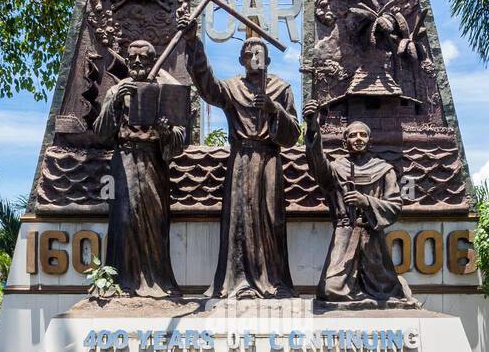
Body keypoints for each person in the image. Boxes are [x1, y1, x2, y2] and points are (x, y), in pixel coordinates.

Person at [179, 17, 300, 299]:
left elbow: (293, 133)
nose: (254, 57)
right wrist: (193, 43)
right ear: (241, 59)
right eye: (249, 53)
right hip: (242, 160)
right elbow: (207, 87)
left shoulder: (281, 89)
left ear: (268, 59)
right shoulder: (233, 87)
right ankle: (240, 281)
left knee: (271, 219)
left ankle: (273, 281)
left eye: (259, 53)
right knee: (241, 219)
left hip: (270, 159)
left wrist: (274, 110)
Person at [93, 39, 187, 297]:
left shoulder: (164, 90)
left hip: (153, 163)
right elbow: (101, 132)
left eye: (142, 58)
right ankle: (122, 282)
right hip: (122, 161)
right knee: (122, 220)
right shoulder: (116, 90)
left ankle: (157, 282)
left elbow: (180, 137)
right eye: (132, 58)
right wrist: (114, 103)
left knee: (156, 222)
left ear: (151, 60)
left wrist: (166, 130)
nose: (136, 63)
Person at [304, 102, 421, 307]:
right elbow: (317, 165)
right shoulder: (337, 169)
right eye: (352, 135)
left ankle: (393, 284)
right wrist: (313, 127)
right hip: (345, 234)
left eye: (362, 135)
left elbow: (395, 206)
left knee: (385, 290)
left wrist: (366, 201)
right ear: (345, 142)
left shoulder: (384, 170)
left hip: (372, 237)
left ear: (369, 141)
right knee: (330, 290)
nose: (358, 139)